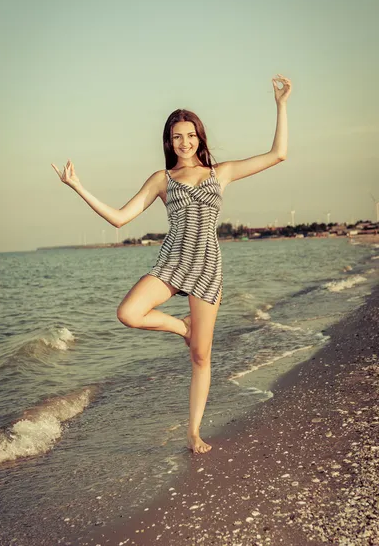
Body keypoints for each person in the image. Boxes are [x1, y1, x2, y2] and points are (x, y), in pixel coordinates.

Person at [52, 73, 292, 454]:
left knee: (201, 355)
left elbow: (277, 154)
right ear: (169, 141)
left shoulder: (221, 173)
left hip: (207, 268)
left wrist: (280, 105)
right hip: (172, 263)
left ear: (199, 137)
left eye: (191, 135)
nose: (185, 142)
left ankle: (194, 432)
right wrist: (77, 186)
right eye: (177, 136)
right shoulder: (162, 179)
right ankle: (181, 325)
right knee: (129, 312)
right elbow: (119, 219)